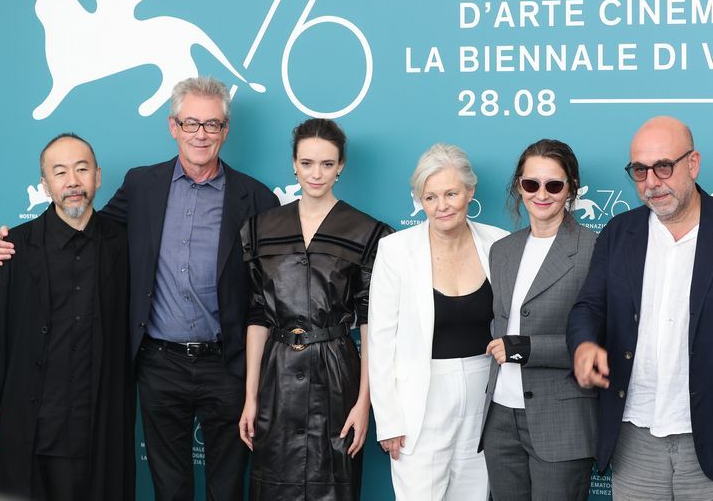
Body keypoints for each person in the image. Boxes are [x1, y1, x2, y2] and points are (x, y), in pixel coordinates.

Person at [0, 76, 279, 500]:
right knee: (169, 488)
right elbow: (85, 226)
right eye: (191, 123)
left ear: (225, 130)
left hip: (227, 366)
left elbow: (268, 291)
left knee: (227, 488)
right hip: (160, 366)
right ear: (173, 126)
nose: (200, 134)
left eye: (212, 124)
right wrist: (13, 241)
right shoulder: (143, 185)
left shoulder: (256, 198)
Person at [567, 116, 713, 500]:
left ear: (693, 164)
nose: (651, 182)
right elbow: (588, 307)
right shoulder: (618, 233)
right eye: (639, 170)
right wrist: (584, 344)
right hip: (634, 439)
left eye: (663, 166)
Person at [238, 118, 392, 501]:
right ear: (294, 164)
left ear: (341, 166)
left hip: (337, 376)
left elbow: (373, 324)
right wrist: (251, 396)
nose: (316, 174)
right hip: (276, 377)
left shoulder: (367, 232)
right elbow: (257, 316)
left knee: (333, 486)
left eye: (327, 164)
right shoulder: (260, 229)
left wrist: (363, 402)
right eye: (307, 163)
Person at [0, 134, 134, 500]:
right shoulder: (15, 247)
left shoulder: (125, 245)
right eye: (60, 172)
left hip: (99, 423)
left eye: (82, 170)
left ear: (97, 177)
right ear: (45, 185)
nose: (72, 182)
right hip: (33, 422)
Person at [368, 143, 508, 500]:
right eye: (430, 197)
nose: (441, 205)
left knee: (473, 493)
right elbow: (380, 341)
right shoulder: (396, 250)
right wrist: (389, 420)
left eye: (451, 193)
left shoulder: (499, 243)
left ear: (470, 192)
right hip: (419, 401)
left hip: (483, 395)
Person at [479, 139, 598, 501]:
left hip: (561, 421)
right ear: (519, 186)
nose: (541, 194)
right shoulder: (503, 250)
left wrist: (524, 349)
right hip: (500, 418)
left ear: (571, 189)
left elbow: (602, 340)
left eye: (554, 185)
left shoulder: (594, 249)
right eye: (531, 184)